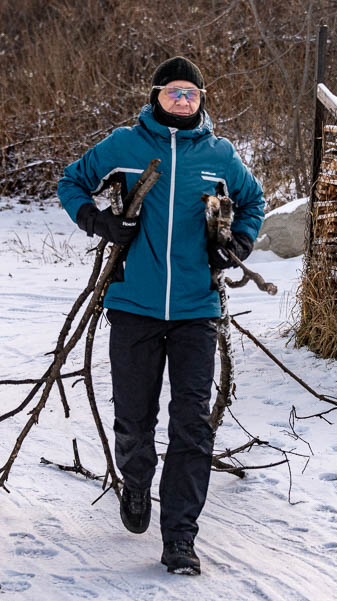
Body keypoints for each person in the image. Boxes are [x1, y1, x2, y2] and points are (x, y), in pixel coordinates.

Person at [57, 56, 264, 575]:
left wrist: (238, 241)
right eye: (173, 93)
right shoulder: (126, 146)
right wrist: (99, 221)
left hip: (196, 307)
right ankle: (135, 482)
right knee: (134, 419)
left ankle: (180, 538)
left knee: (192, 424)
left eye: (191, 95)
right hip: (133, 306)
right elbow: (71, 182)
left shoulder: (219, 154)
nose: (182, 103)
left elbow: (254, 199)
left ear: (202, 100)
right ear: (155, 96)